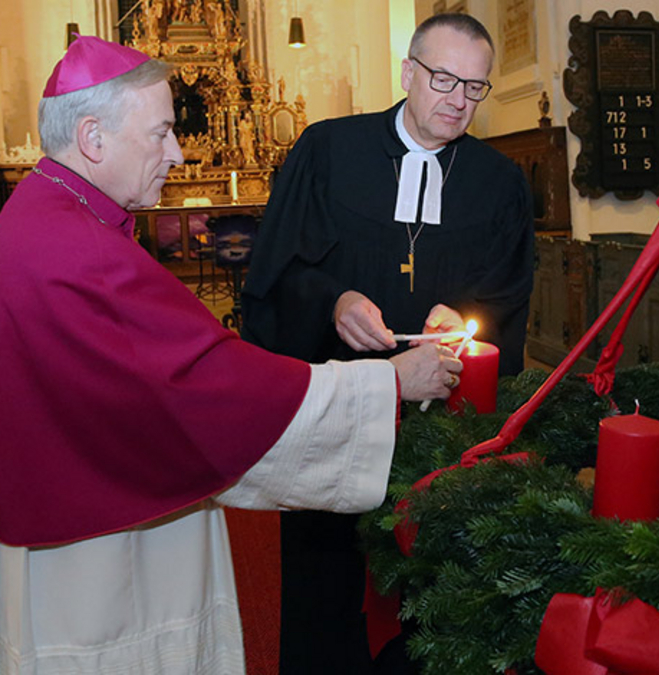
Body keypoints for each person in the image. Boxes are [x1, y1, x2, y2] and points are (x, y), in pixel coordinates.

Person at [0, 35, 462, 675]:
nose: (178, 152)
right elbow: (210, 387)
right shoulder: (84, 252)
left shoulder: (42, 214)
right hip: (103, 567)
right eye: (160, 133)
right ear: (92, 138)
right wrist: (385, 385)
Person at [240, 12, 534, 675]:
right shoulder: (326, 151)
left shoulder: (500, 182)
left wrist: (462, 315)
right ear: (408, 73)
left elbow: (509, 293)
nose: (458, 99)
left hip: (440, 428)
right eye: (443, 79)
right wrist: (333, 302)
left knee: (434, 581)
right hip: (339, 412)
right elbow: (275, 271)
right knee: (328, 582)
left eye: (475, 87)